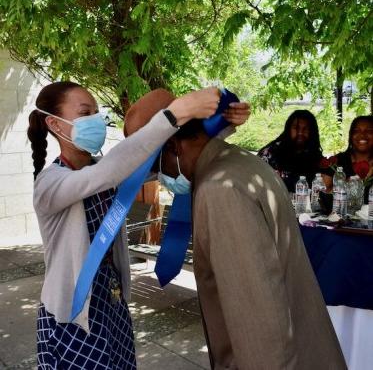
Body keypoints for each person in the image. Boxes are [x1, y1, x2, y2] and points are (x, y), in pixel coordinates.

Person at [124, 89, 347, 370]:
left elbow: (259, 321)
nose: (163, 178)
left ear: (173, 148)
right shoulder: (242, 163)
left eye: (158, 168)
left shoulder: (220, 190)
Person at [28, 81, 244, 369]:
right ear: (55, 124)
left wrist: (224, 124)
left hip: (111, 305)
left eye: (96, 111)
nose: (96, 118)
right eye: (85, 112)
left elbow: (160, 161)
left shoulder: (103, 169)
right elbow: (106, 174)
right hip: (72, 314)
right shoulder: (50, 184)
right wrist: (171, 115)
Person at [257, 110, 324, 192]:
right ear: (288, 129)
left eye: (305, 129)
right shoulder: (270, 153)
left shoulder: (313, 153)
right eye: (296, 128)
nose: (300, 133)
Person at [322, 115, 373, 203]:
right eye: (356, 131)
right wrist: (347, 184)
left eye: (369, 131)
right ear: (350, 135)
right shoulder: (336, 161)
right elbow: (321, 193)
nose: (362, 135)